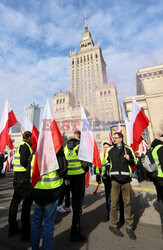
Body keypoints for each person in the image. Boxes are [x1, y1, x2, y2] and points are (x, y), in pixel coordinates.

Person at [31, 147, 67, 250]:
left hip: (37, 189)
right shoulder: (56, 150)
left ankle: (35, 248)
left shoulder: (35, 150)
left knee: (36, 222)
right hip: (52, 191)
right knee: (48, 224)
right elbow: (63, 170)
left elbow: (30, 169)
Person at [105, 132, 137, 240]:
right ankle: (113, 225)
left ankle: (129, 227)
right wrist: (108, 171)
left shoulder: (128, 149)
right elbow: (106, 162)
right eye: (113, 138)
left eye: (116, 138)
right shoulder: (110, 150)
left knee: (127, 203)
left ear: (121, 138)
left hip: (126, 180)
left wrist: (130, 159)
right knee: (114, 203)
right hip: (114, 180)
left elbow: (135, 162)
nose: (114, 139)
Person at [64, 130, 90, 242]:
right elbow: (85, 164)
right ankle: (75, 231)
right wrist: (84, 170)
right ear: (79, 138)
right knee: (77, 203)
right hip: (78, 177)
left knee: (73, 201)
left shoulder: (65, 147)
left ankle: (76, 225)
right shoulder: (79, 146)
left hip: (69, 177)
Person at [8, 131, 33, 241]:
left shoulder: (19, 146)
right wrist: (31, 163)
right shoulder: (25, 146)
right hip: (24, 179)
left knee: (15, 203)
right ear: (29, 137)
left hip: (18, 177)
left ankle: (12, 227)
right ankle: (25, 233)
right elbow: (23, 161)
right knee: (26, 206)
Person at [96, 142, 124, 221]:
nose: (106, 148)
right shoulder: (101, 155)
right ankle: (109, 213)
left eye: (107, 147)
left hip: (114, 178)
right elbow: (98, 167)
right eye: (104, 147)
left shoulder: (113, 154)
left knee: (117, 195)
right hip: (105, 178)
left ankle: (119, 213)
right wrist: (98, 178)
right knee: (108, 196)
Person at [151, 134, 163, 239]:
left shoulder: (153, 150)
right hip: (162, 178)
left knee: (161, 200)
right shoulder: (161, 148)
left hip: (158, 178)